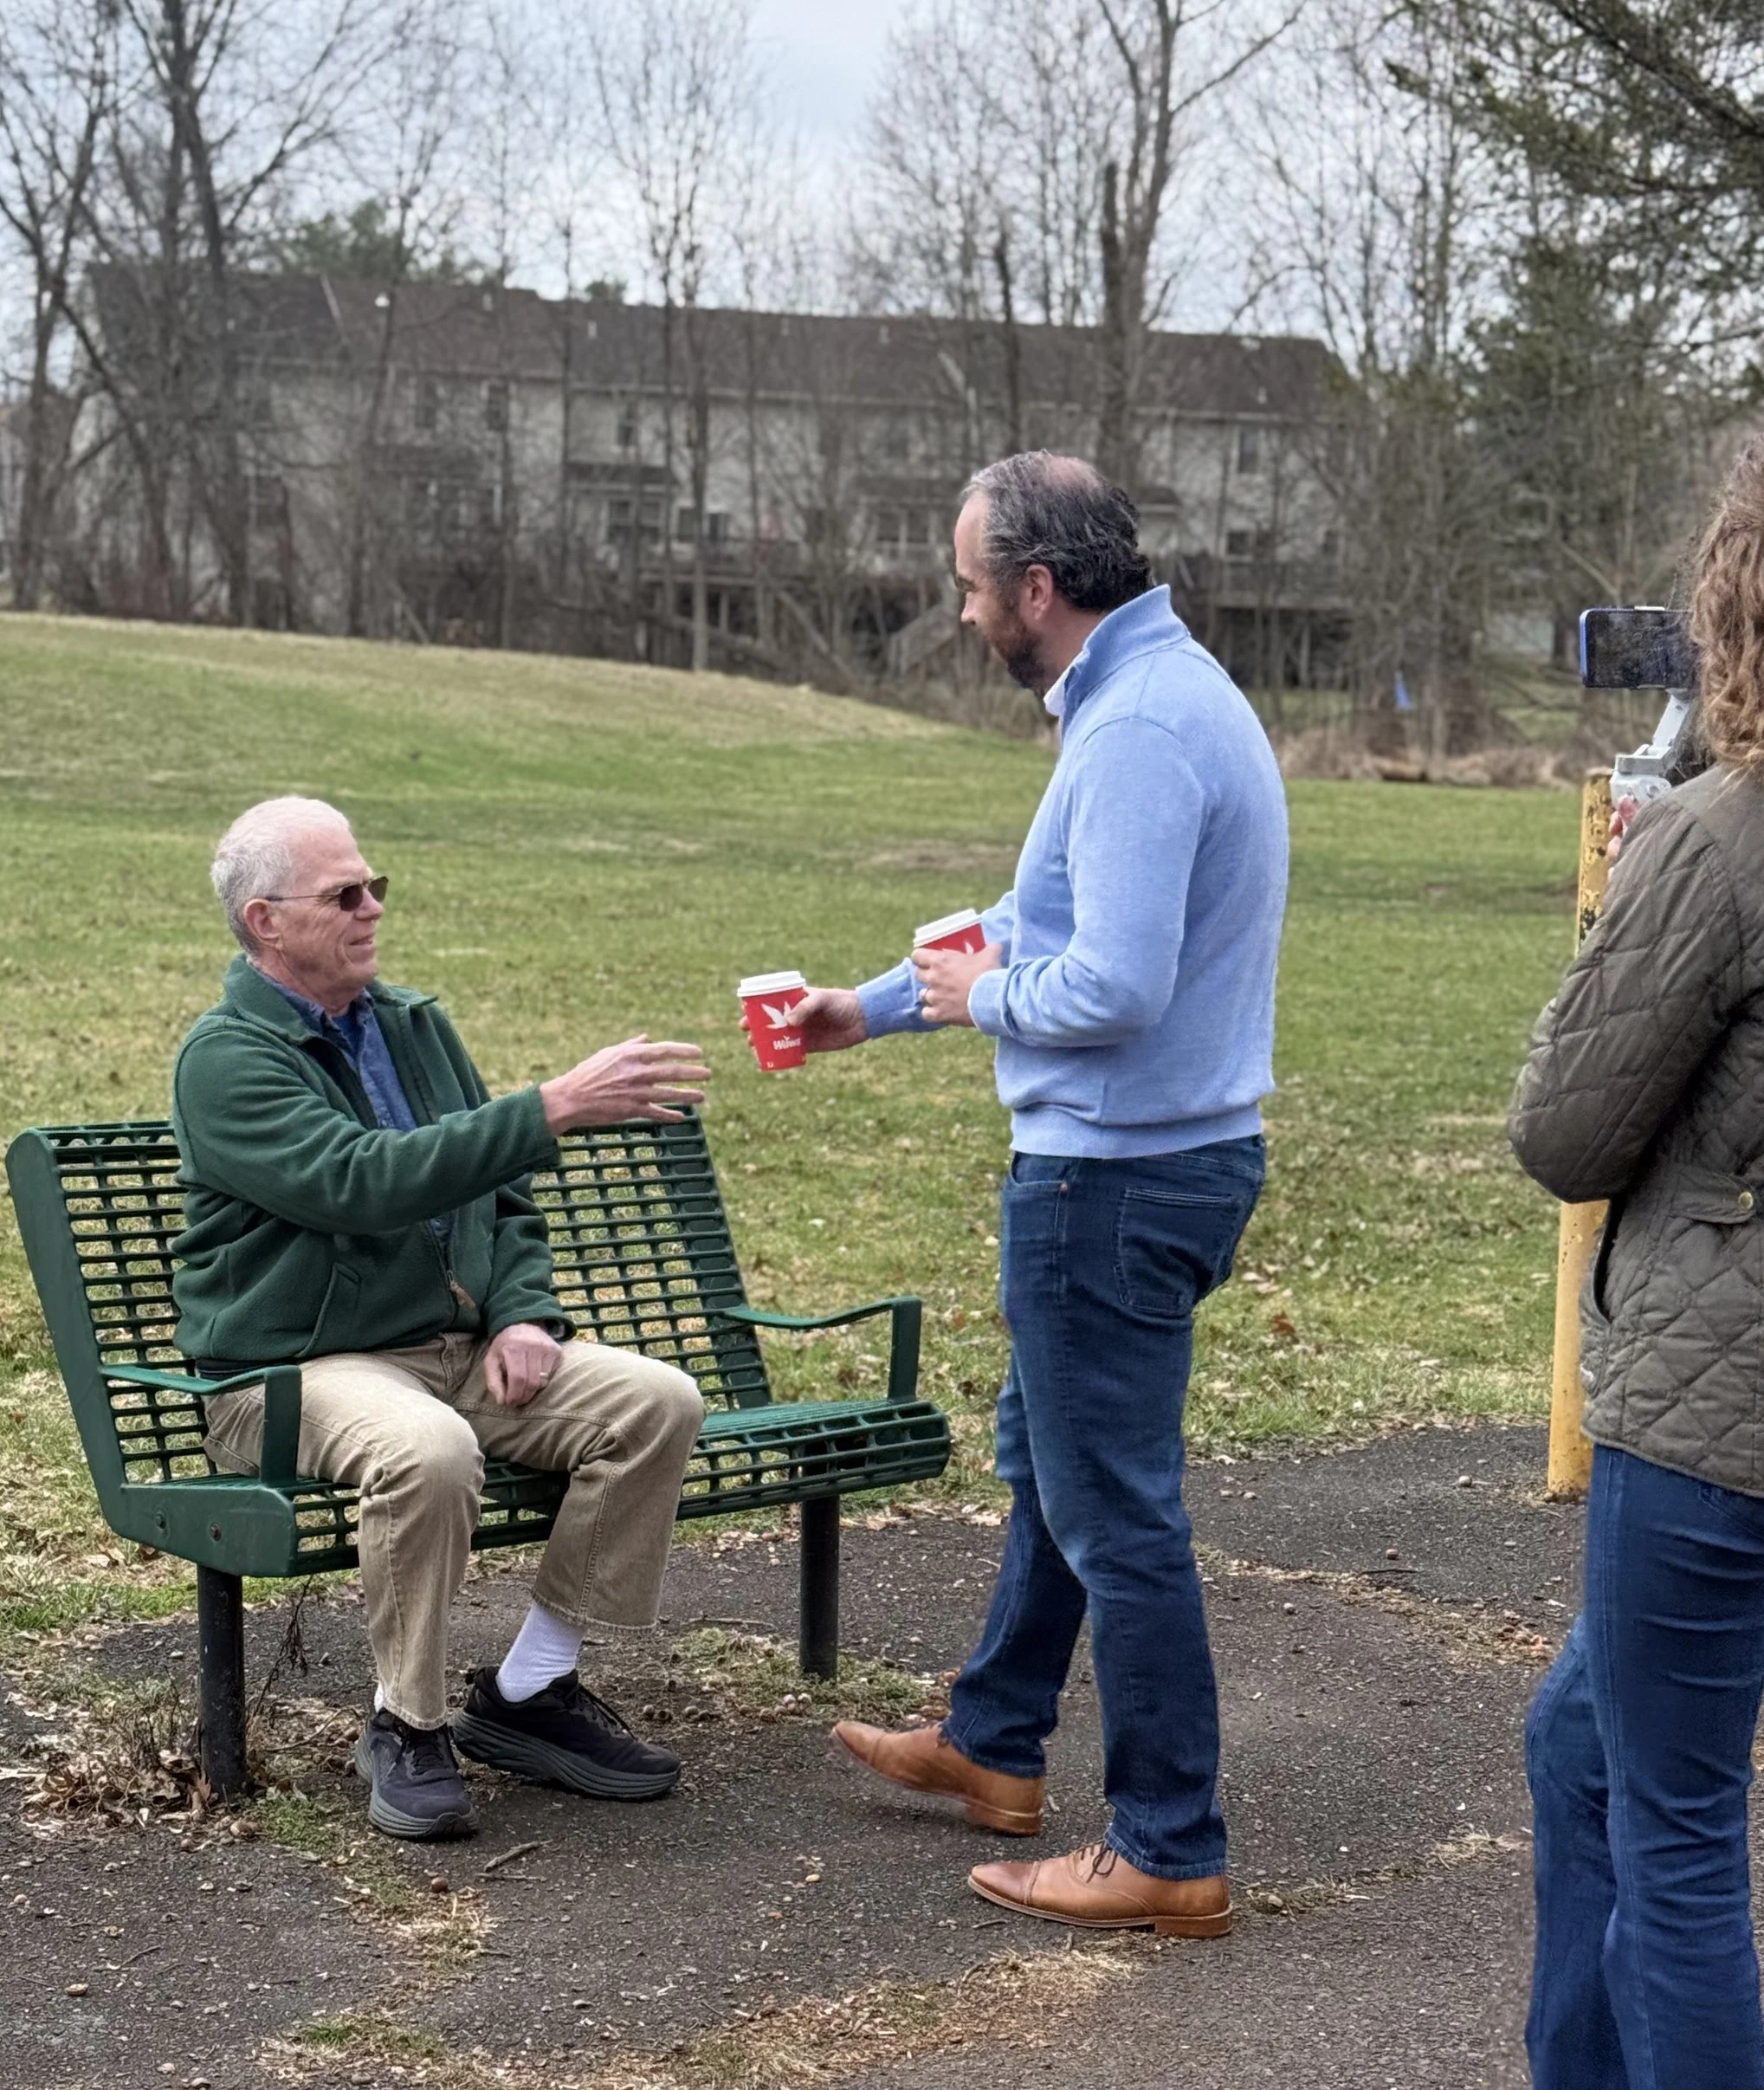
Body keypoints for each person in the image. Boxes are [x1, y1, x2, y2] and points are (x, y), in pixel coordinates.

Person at [792, 452, 1288, 1937]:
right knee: (1057, 1463)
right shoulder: (1155, 694)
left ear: (1036, 586)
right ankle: (995, 1739)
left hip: (1114, 1180)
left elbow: (1111, 985)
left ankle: (1168, 1845)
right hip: (1161, 1163)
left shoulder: (1135, 729)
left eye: (969, 587)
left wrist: (982, 1001)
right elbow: (1035, 918)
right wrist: (870, 1007)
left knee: (1117, 1513)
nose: (961, 614)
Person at [1464, 425, 1764, 2090]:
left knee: (1672, 1828)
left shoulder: (1721, 841)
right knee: (1576, 1735)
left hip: (1716, 1413)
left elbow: (1564, 1130)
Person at [171, 795, 708, 1842]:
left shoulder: (414, 1026)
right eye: (344, 895)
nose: (372, 908)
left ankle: (529, 1692)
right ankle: (406, 1724)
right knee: (428, 1450)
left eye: (374, 886)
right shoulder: (227, 1056)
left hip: (451, 1348)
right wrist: (549, 1107)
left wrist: (523, 1316)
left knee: (656, 1403)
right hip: (288, 1374)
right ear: (265, 922)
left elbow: (497, 1198)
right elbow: (358, 1181)